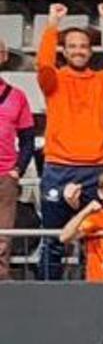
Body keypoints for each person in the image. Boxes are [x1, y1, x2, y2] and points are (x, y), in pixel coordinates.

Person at [36, 2, 103, 280]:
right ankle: (46, 295)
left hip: (94, 170)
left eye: (83, 46)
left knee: (95, 238)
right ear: (63, 51)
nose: (78, 51)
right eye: (72, 46)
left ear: (91, 51)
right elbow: (43, 63)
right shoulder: (53, 81)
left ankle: (96, 292)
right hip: (57, 168)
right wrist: (52, 25)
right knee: (53, 239)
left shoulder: (100, 81)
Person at [0, 46, 33, 282]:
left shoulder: (17, 96)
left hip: (5, 176)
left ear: (3, 56)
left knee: (3, 234)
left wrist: (17, 169)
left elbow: (28, 138)